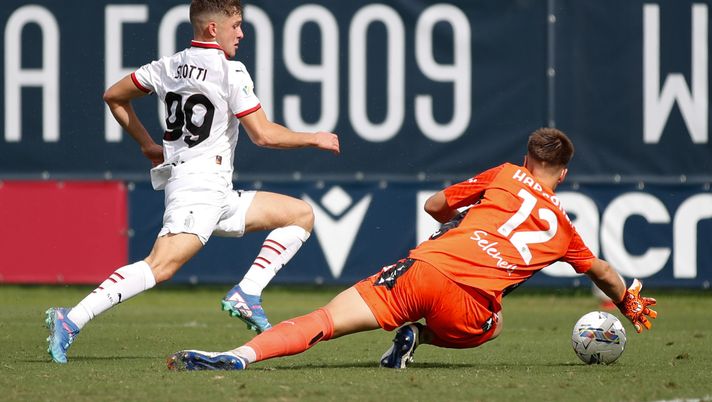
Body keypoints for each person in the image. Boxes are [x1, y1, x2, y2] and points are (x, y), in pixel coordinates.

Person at [166, 127, 658, 371]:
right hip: (466, 307)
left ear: (527, 158)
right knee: (496, 324)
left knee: (323, 321)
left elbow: (435, 204)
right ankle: (417, 339)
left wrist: (455, 220)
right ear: (564, 174)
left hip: (421, 268)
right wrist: (628, 302)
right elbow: (604, 273)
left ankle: (237, 356)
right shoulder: (564, 230)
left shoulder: (507, 175)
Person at [45, 0, 340, 364]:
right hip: (199, 187)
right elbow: (263, 135)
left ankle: (246, 293)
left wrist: (147, 145)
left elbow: (113, 96)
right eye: (237, 25)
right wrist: (313, 138)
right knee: (160, 265)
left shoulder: (167, 66)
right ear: (213, 29)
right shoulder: (230, 72)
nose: (242, 33)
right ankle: (70, 319)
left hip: (210, 187)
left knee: (300, 215)